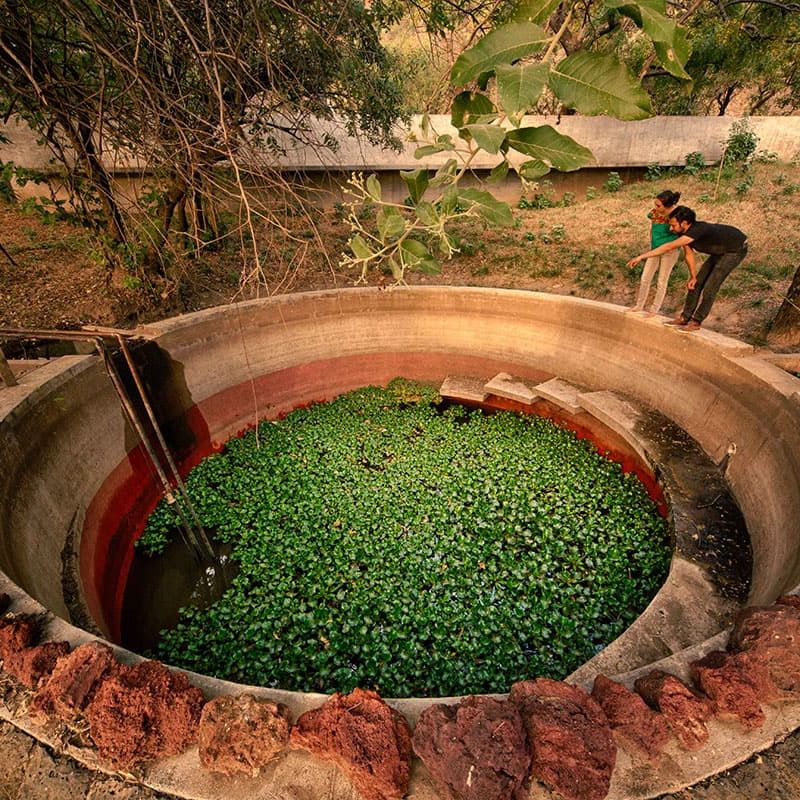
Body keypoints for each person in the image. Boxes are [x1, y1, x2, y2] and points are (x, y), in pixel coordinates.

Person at [626, 206, 748, 332]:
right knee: (695, 284)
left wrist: (641, 257)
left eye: (673, 225)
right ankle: (685, 317)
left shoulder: (697, 230)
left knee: (710, 287)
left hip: (735, 250)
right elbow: (689, 255)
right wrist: (693, 276)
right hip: (720, 250)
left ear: (684, 223)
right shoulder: (682, 232)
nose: (670, 228)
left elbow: (668, 247)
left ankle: (696, 321)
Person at [628, 189, 683, 314]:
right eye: (655, 204)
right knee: (645, 278)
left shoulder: (676, 216)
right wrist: (652, 242)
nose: (656, 207)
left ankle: (654, 309)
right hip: (654, 249)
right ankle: (639, 305)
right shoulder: (655, 213)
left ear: (668, 206)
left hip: (669, 251)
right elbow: (652, 228)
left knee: (662, 280)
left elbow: (681, 233)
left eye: (658, 205)